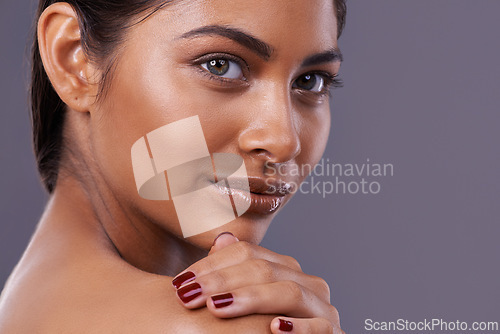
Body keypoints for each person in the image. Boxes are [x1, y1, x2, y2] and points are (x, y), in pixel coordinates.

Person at [0, 0, 346, 332]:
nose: (283, 140)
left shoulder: (22, 305)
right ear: (73, 60)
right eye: (220, 65)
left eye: (310, 81)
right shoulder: (208, 327)